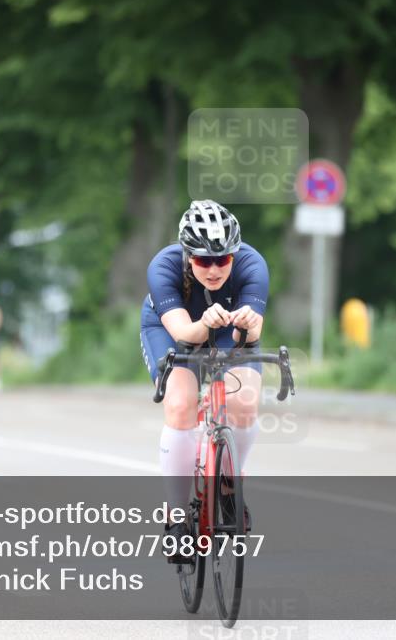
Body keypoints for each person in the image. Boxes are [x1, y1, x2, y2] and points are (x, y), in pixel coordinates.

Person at [139, 200, 268, 563]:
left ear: (235, 253)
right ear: (186, 254)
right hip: (172, 328)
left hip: (228, 328)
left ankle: (229, 487)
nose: (213, 269)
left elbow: (253, 333)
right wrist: (205, 323)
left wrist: (248, 325)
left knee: (243, 402)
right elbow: (184, 333)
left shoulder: (252, 265)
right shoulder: (163, 266)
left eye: (222, 259)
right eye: (202, 260)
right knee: (180, 404)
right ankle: (177, 517)